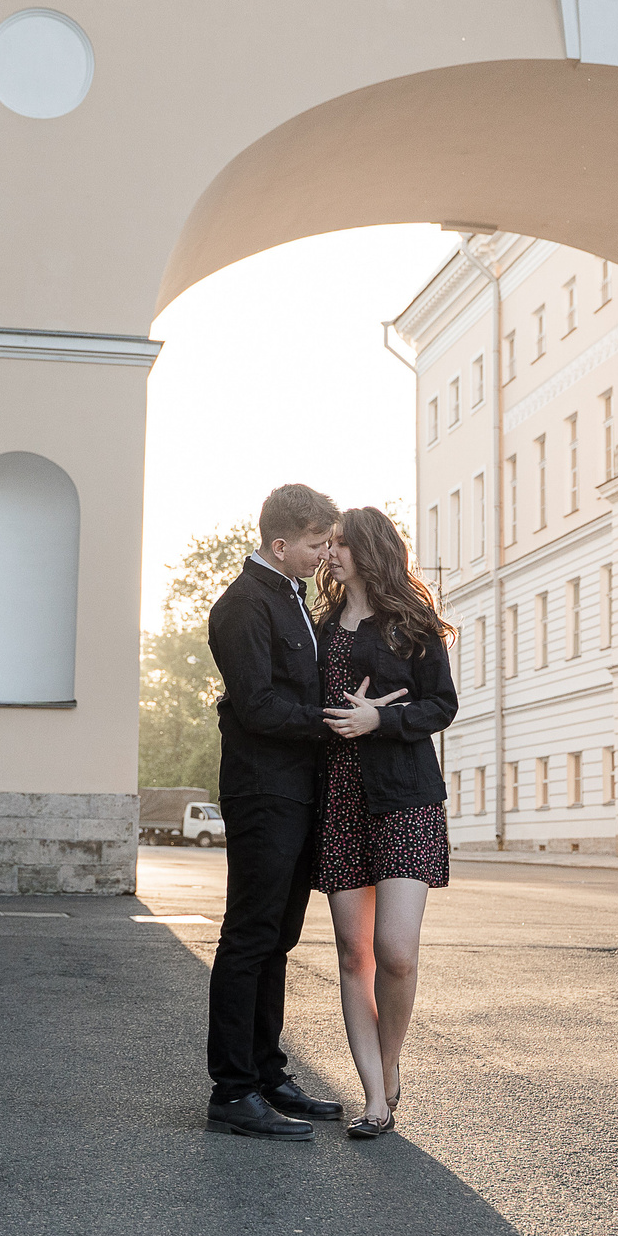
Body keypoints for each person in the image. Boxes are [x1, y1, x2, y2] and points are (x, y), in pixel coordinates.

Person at [203, 483, 388, 1139]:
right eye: (315, 543)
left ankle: (266, 1071)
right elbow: (257, 707)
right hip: (262, 791)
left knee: (278, 937)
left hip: (297, 790)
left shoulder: (290, 596)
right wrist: (335, 722)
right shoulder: (242, 605)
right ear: (280, 544)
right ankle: (232, 1090)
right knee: (250, 935)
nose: (324, 553)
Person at [312, 506, 458, 1139]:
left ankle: (389, 1064)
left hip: (405, 798)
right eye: (328, 543)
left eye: (341, 543)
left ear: (369, 550)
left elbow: (441, 705)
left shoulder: (411, 622)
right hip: (341, 800)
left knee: (395, 954)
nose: (331, 553)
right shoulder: (321, 629)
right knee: (354, 955)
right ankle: (374, 1096)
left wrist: (381, 719)